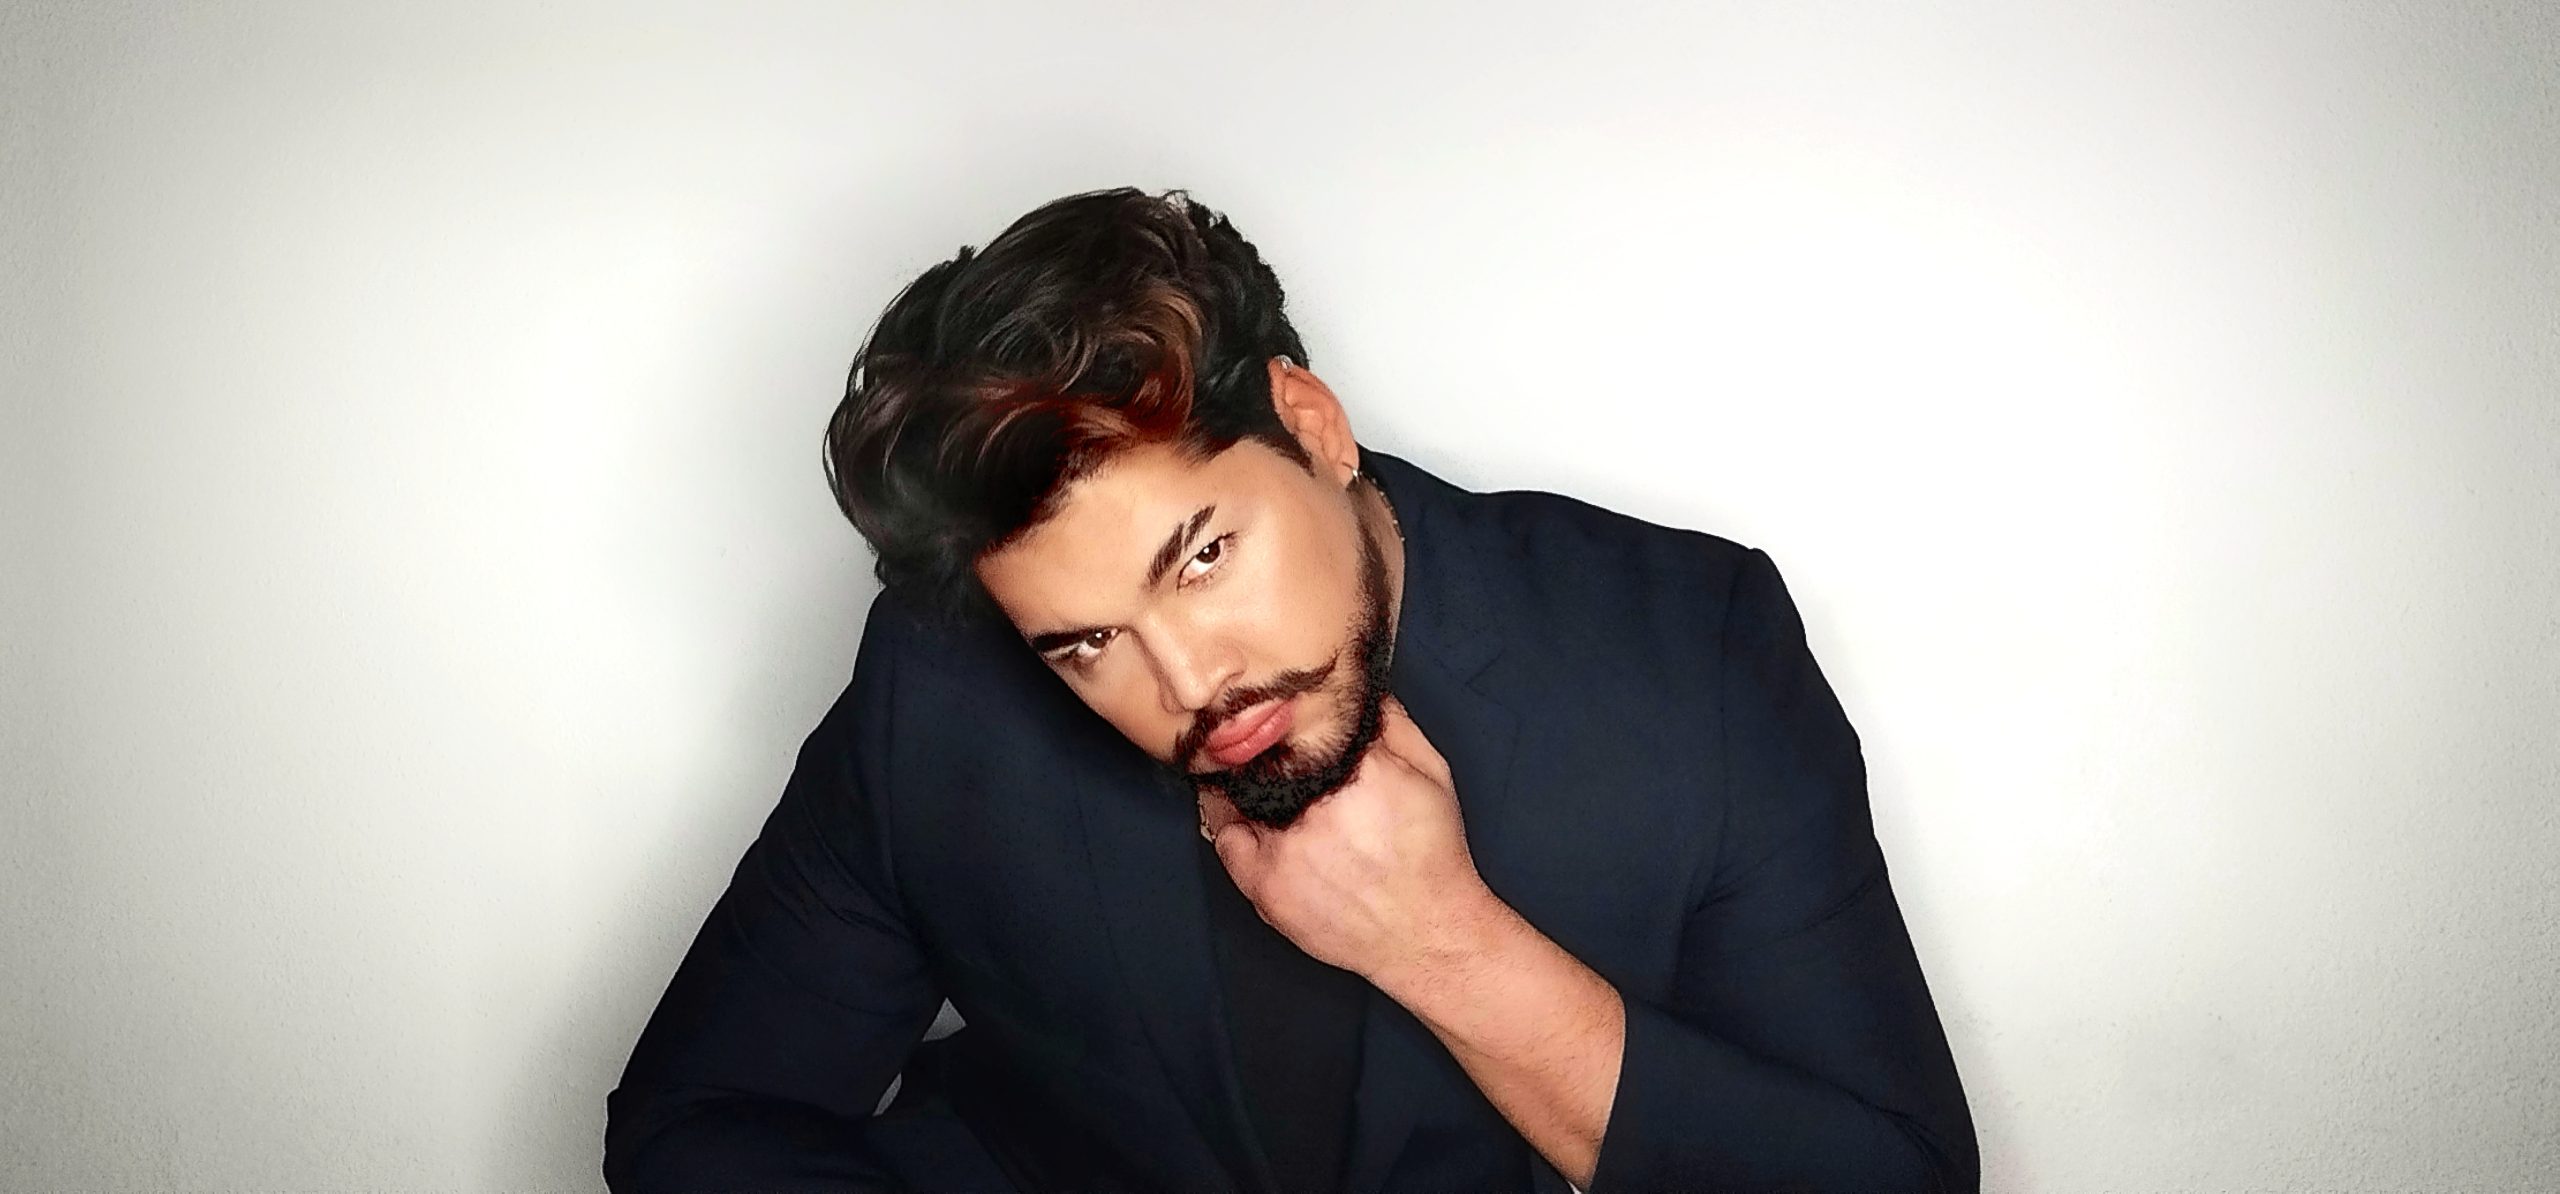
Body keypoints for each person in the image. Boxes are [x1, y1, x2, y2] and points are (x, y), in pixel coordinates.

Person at [604, 187, 1977, 1193]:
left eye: (1202, 556)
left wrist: (1444, 944)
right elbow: (700, 1125)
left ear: (1311, 425)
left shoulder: (1689, 645)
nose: (1190, 683)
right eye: (1085, 645)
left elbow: (1896, 1177)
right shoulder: (941, 689)